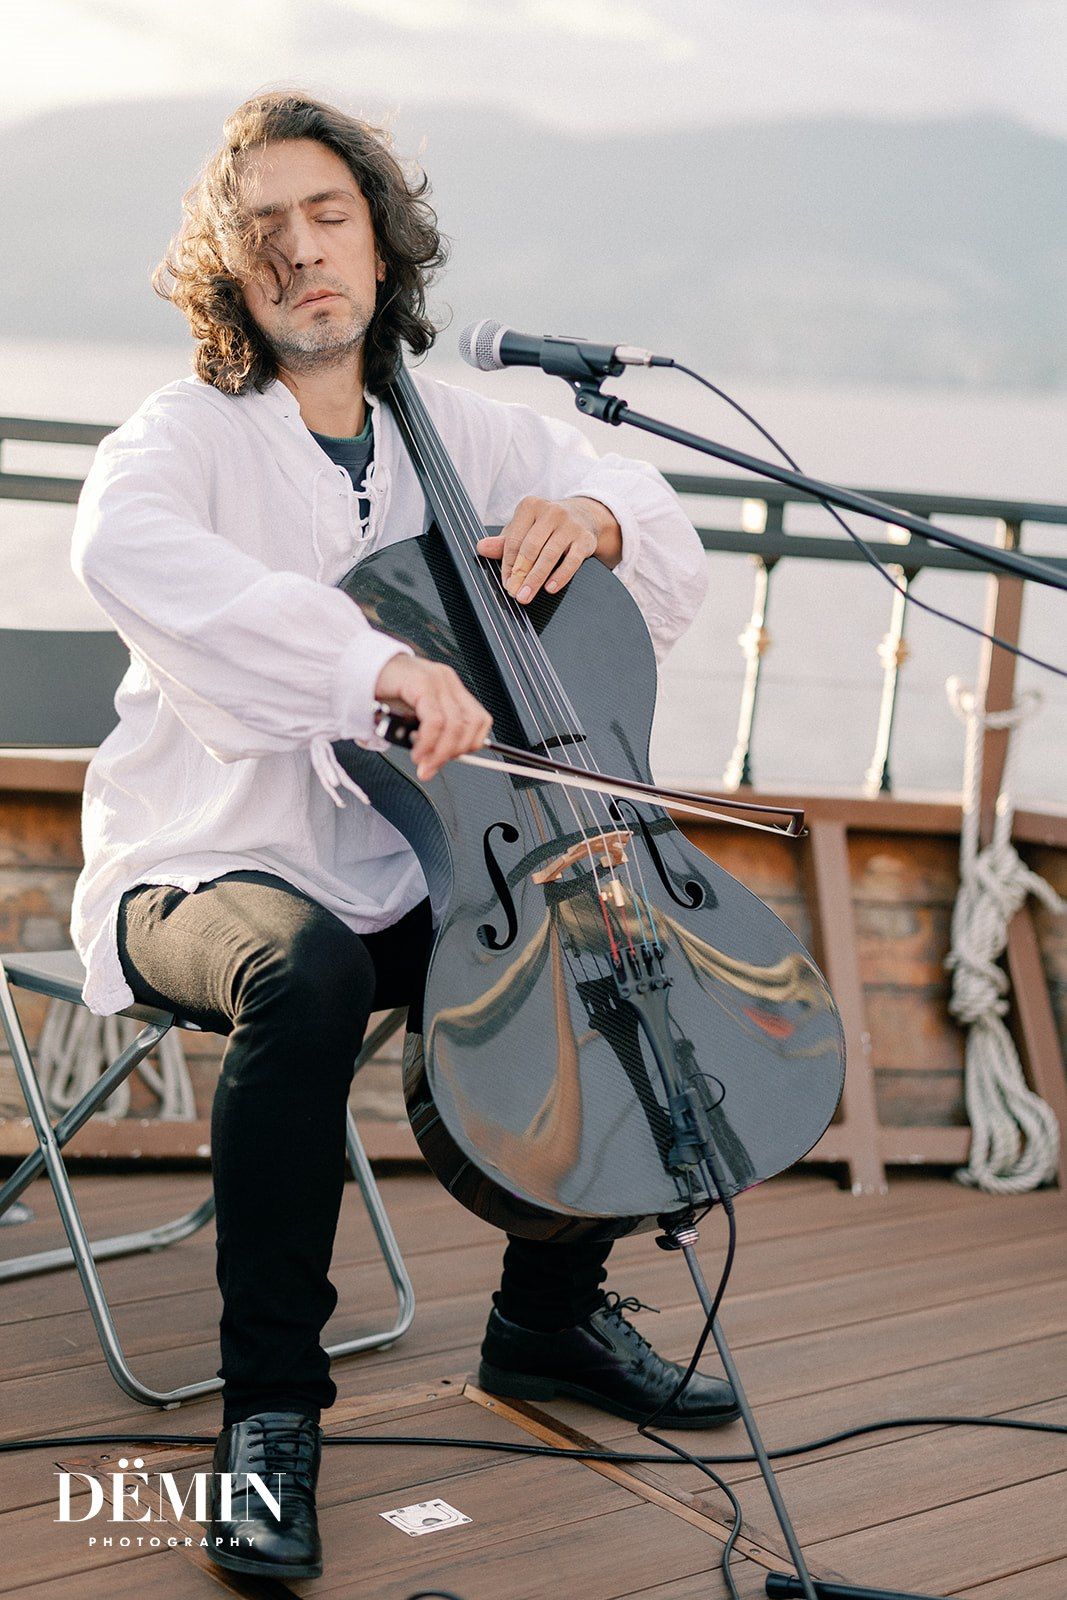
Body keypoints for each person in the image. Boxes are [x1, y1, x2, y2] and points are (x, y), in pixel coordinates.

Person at [69, 90, 736, 1582]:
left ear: (379, 245)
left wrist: (592, 521)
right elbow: (122, 545)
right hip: (205, 860)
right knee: (302, 974)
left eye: (330, 217)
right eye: (265, 230)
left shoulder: (457, 432)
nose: (302, 251)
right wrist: (370, 663)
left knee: (586, 921)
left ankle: (546, 1320)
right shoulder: (186, 437)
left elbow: (642, 504)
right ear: (230, 270)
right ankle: (269, 1412)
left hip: (411, 862)